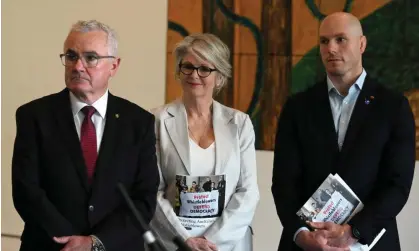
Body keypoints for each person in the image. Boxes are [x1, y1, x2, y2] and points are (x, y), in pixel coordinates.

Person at [271, 12, 415, 251]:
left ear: (362, 44)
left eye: (340, 39)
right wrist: (301, 234)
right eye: (324, 41)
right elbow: (283, 183)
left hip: (371, 241)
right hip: (308, 244)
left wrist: (354, 231)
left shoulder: (393, 106)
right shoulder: (298, 107)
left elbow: (398, 185)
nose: (331, 48)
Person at [11, 20, 159, 251]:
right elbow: (26, 190)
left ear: (114, 66)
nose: (78, 66)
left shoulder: (138, 122)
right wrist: (70, 241)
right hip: (51, 246)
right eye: (71, 56)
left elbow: (144, 198)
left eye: (90, 58)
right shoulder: (34, 116)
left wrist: (95, 243)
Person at [150, 33, 260, 251]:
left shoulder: (239, 124)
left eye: (204, 69)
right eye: (187, 67)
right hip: (175, 244)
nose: (194, 75)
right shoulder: (157, 121)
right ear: (179, 71)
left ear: (219, 76)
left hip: (228, 244)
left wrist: (211, 243)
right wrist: (185, 241)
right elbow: (152, 190)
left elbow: (247, 191)